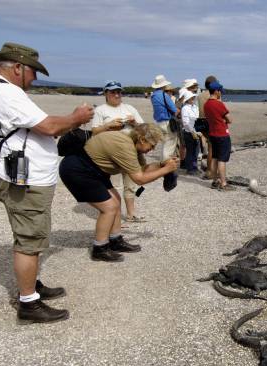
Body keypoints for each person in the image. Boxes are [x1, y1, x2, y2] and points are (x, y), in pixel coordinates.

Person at [0, 42, 94, 323]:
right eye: (33, 72)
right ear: (18, 67)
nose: (34, 78)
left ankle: (31, 286)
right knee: (29, 240)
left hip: (17, 174)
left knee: (28, 235)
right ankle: (28, 303)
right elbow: (49, 127)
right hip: (24, 180)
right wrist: (76, 118)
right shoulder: (7, 92)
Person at [59, 124, 179, 262]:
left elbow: (142, 169)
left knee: (116, 201)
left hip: (94, 170)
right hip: (78, 170)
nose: (151, 150)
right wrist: (165, 170)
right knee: (109, 207)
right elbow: (139, 179)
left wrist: (163, 165)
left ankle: (115, 241)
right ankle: (100, 248)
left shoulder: (132, 145)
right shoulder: (125, 147)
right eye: (151, 146)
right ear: (141, 139)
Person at [91, 80, 145, 223]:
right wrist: (108, 125)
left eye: (119, 92)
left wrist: (134, 123)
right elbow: (94, 131)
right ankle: (113, 215)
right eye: (113, 92)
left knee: (131, 182)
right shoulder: (100, 110)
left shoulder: (130, 108)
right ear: (106, 94)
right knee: (112, 184)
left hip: (129, 151)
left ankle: (131, 213)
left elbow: (143, 128)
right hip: (109, 153)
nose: (117, 94)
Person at [204, 80, 234, 191]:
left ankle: (215, 181)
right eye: (220, 91)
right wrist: (223, 120)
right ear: (216, 91)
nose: (221, 92)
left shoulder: (206, 104)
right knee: (222, 159)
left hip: (212, 134)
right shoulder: (219, 104)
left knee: (215, 158)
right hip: (222, 134)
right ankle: (223, 183)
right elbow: (230, 119)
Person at [150, 75, 178, 161]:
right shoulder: (164, 95)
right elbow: (174, 109)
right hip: (167, 122)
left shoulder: (153, 95)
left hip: (158, 122)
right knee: (170, 144)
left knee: (164, 144)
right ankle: (166, 166)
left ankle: (163, 163)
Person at [197, 75, 217, 179]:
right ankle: (210, 171)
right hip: (210, 123)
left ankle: (210, 169)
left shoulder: (200, 95)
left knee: (210, 146)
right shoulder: (213, 94)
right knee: (212, 148)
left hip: (201, 123)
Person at [179, 89, 200, 175]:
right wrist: (192, 131)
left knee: (196, 151)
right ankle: (190, 169)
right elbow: (185, 122)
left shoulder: (195, 107)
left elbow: (197, 119)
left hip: (196, 131)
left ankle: (194, 167)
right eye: (191, 98)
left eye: (193, 97)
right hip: (188, 132)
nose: (193, 99)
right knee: (190, 151)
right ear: (187, 99)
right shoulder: (185, 108)